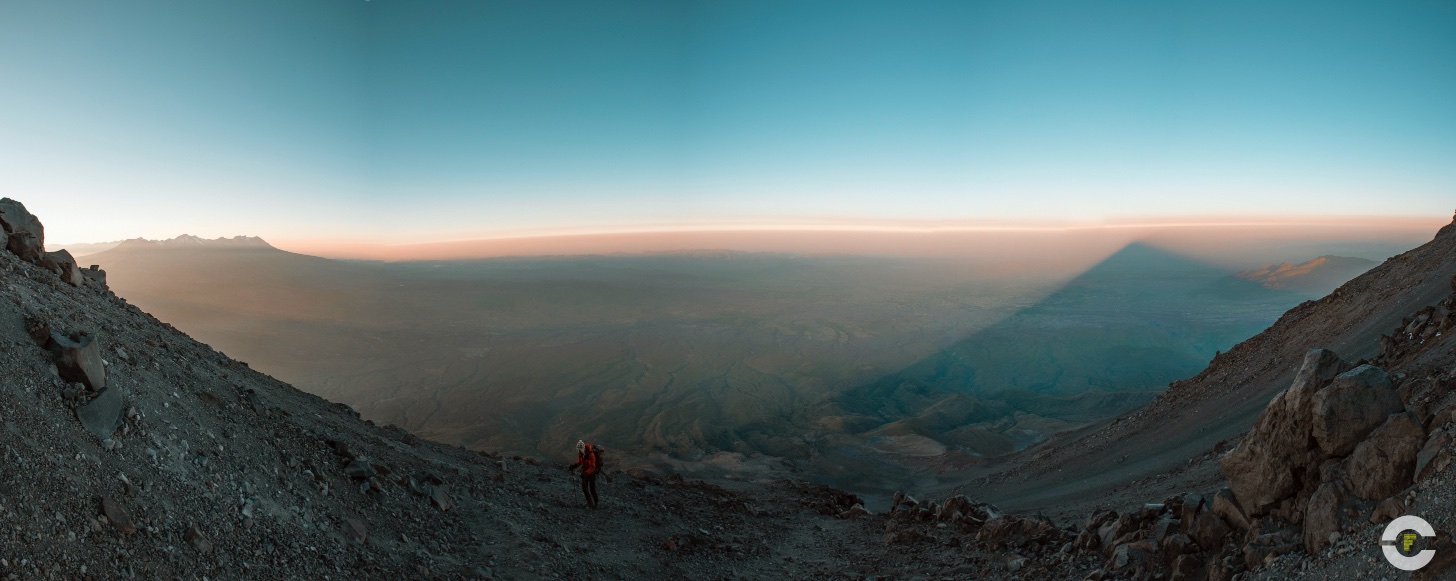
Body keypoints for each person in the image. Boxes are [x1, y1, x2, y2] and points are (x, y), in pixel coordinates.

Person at [567, 439, 604, 508]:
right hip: (585, 472)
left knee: (592, 488)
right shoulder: (581, 453)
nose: (580, 450)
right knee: (584, 488)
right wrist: (574, 466)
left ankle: (596, 503)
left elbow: (592, 466)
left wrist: (586, 473)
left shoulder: (591, 454)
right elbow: (580, 461)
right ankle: (590, 503)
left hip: (592, 473)